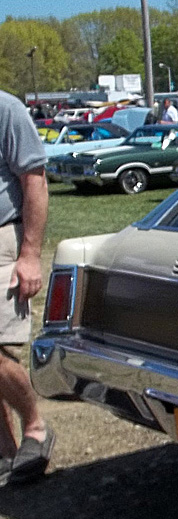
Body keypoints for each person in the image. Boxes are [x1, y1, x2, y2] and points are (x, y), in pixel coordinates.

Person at [0, 90, 51, 486]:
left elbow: (34, 182)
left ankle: (36, 428)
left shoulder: (7, 109)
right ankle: (7, 453)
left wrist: (30, 254)